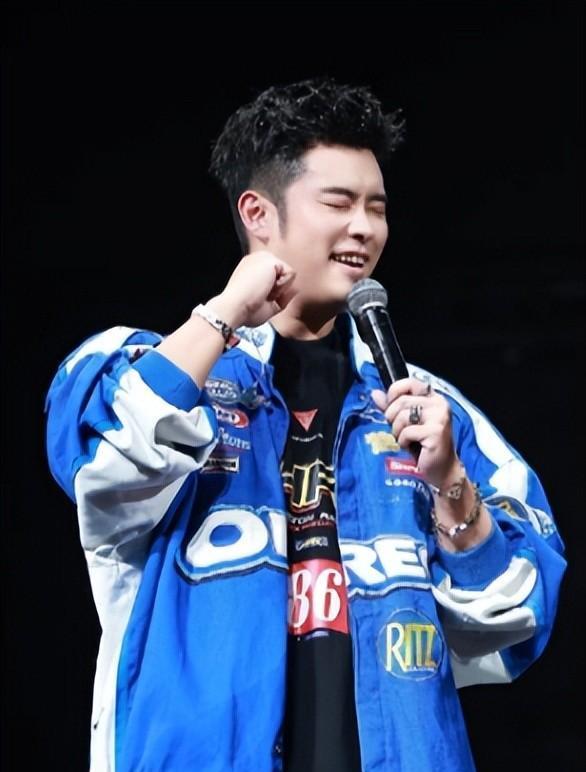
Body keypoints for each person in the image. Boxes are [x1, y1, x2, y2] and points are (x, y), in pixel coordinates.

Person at [45, 77, 566, 772]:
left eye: (377, 207)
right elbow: (103, 455)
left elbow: (515, 618)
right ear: (259, 214)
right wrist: (225, 313)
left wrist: (450, 486)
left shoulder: (435, 413)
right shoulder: (141, 367)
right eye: (339, 203)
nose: (365, 228)